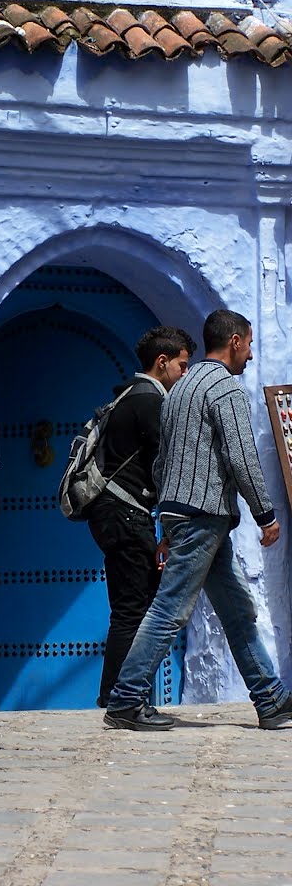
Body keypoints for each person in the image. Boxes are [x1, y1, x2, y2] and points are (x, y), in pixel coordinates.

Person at [105, 310, 292, 731]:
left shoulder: (178, 389)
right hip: (203, 515)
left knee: (237, 609)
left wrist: (167, 523)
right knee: (169, 609)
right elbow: (241, 458)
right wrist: (265, 515)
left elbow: (162, 462)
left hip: (186, 514)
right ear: (236, 341)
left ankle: (270, 697)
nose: (250, 353)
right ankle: (126, 698)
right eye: (249, 343)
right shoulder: (226, 389)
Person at [86, 326, 197, 708]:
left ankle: (116, 696)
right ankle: (123, 699)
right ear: (162, 362)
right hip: (127, 515)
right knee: (135, 608)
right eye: (183, 365)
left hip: (115, 514)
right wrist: (169, 528)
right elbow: (163, 469)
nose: (186, 373)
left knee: (128, 606)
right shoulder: (151, 401)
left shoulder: (127, 397)